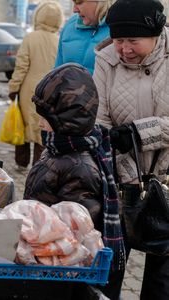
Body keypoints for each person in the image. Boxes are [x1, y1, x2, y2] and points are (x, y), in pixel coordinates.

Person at [24, 63, 126, 289]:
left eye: (46, 118)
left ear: (66, 120)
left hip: (59, 272)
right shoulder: (58, 150)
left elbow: (74, 234)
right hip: (42, 258)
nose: (40, 124)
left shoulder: (80, 167)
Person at [93, 0, 169, 299]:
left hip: (167, 177)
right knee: (109, 266)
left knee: (162, 279)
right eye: (118, 39)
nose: (124, 49)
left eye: (133, 41)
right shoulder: (105, 59)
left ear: (157, 33)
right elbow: (98, 118)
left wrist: (139, 132)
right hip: (121, 179)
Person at [8, 1, 63, 170]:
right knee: (44, 125)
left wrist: (13, 88)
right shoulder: (59, 39)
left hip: (29, 88)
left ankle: (21, 162)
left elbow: (21, 66)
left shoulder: (30, 37)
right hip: (51, 89)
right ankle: (39, 164)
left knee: (24, 124)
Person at [54, 0, 115, 75]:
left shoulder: (121, 28)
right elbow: (56, 72)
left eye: (79, 3)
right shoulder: (70, 25)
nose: (74, 10)